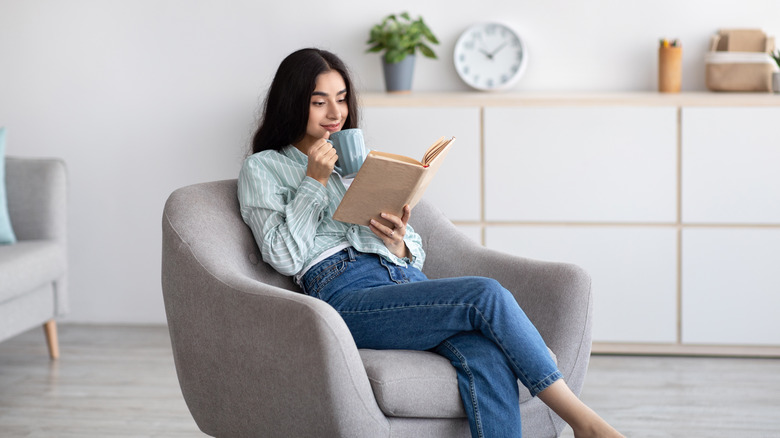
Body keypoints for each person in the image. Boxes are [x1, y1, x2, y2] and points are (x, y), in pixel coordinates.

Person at [237, 47, 623, 438]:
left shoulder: (356, 163)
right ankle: (583, 422)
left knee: (487, 356)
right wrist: (314, 182)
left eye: (341, 100)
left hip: (400, 280)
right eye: (319, 102)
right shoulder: (263, 167)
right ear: (292, 104)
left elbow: (415, 256)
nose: (336, 113)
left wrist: (398, 241)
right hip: (346, 296)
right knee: (484, 294)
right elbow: (284, 256)